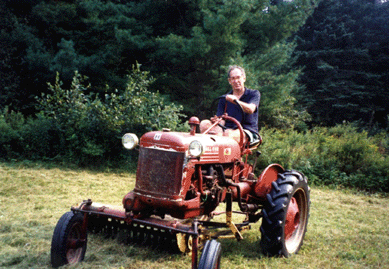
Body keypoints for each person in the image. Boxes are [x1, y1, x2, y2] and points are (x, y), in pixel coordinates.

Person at [200, 65, 261, 144]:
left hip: (247, 130)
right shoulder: (224, 98)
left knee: (228, 134)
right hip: (226, 129)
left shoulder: (254, 94)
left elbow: (250, 109)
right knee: (204, 124)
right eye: (233, 78)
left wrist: (235, 101)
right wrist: (218, 121)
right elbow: (222, 119)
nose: (236, 81)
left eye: (238, 77)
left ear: (244, 78)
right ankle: (204, 151)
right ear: (229, 81)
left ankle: (219, 146)